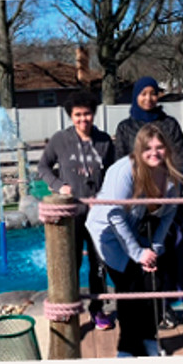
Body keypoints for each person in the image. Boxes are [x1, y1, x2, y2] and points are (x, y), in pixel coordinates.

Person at [85, 125, 183, 357]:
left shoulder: (171, 175)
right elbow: (114, 215)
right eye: (148, 148)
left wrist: (155, 248)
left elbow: (169, 213)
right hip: (110, 234)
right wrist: (137, 253)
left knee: (153, 285)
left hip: (140, 231)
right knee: (129, 289)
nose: (154, 152)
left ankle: (150, 339)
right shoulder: (124, 171)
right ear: (138, 150)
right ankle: (127, 348)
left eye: (160, 147)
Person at [38, 91, 119, 330]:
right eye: (78, 115)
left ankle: (98, 310)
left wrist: (104, 197)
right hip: (70, 215)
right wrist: (58, 186)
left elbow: (113, 175)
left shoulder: (104, 141)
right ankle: (68, 309)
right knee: (68, 262)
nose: (83, 119)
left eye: (87, 114)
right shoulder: (60, 140)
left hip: (97, 215)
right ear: (71, 117)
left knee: (99, 263)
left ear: (93, 114)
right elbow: (43, 167)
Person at [113, 76, 183, 328]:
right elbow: (120, 160)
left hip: (165, 198)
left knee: (165, 255)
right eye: (143, 93)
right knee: (137, 255)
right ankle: (141, 308)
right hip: (136, 200)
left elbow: (178, 156)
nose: (148, 98)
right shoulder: (125, 127)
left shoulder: (169, 124)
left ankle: (164, 306)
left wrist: (165, 184)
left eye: (153, 93)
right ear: (135, 96)